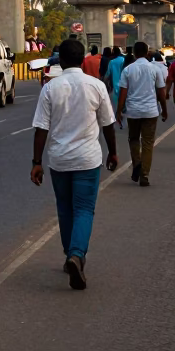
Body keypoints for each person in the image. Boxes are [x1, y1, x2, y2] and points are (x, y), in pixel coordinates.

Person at [31, 37, 117, 290]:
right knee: (84, 210)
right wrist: (113, 152)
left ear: (62, 60)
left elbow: (41, 129)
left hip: (59, 160)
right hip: (88, 160)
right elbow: (108, 124)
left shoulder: (50, 88)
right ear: (81, 60)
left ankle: (70, 253)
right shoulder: (96, 86)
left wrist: (36, 162)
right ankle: (76, 255)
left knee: (65, 209)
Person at [116, 40, 168, 185]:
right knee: (148, 143)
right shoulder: (155, 69)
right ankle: (144, 175)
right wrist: (164, 110)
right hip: (151, 111)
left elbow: (123, 93)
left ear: (133, 53)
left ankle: (137, 163)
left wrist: (119, 111)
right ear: (147, 53)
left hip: (133, 112)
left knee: (133, 139)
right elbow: (161, 92)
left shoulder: (128, 70)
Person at [105, 46, 125, 114]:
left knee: (115, 108)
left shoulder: (112, 62)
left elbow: (107, 75)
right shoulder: (123, 60)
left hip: (115, 87)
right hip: (125, 86)